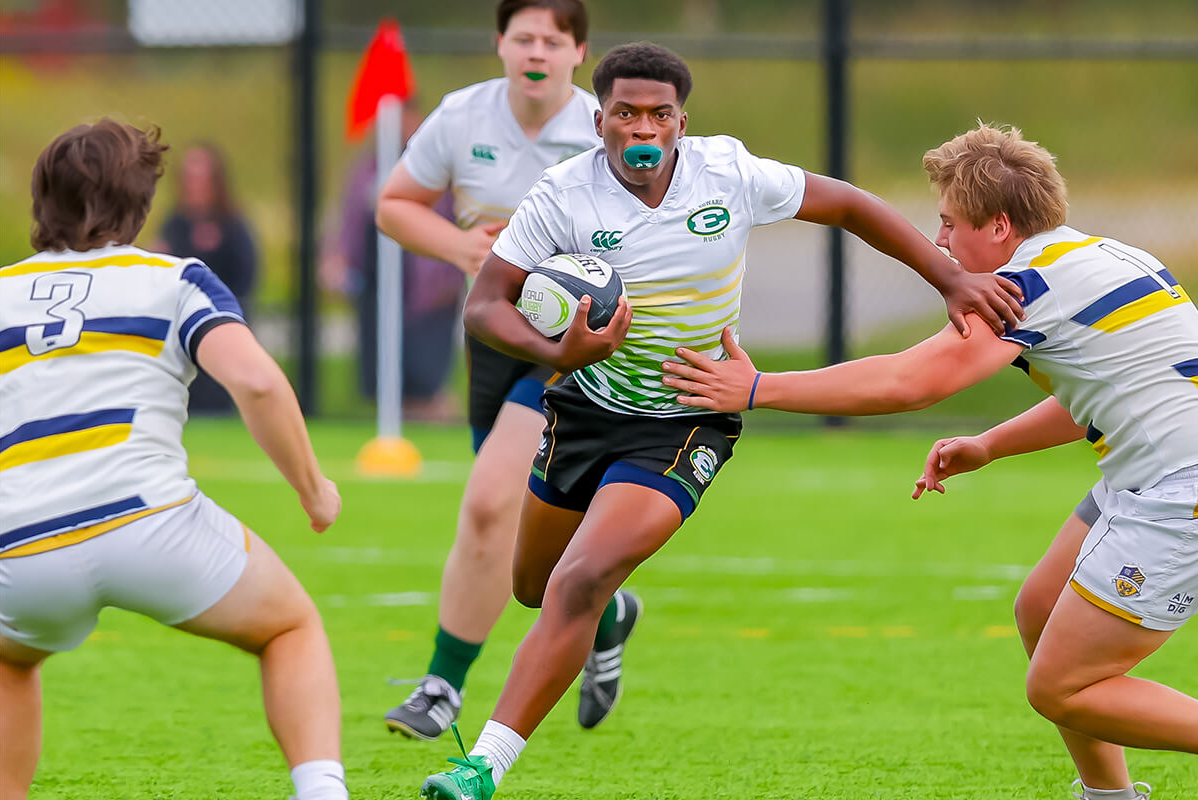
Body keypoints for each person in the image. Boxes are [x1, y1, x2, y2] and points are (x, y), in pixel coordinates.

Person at [417, 44, 1024, 800]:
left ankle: (481, 767)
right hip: (585, 405)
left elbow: (846, 204)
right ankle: (608, 621)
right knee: (536, 588)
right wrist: (557, 349)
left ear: (681, 120)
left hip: (690, 413)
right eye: (628, 114)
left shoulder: (726, 174)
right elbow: (484, 305)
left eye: (660, 114)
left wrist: (951, 277)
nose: (645, 129)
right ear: (599, 118)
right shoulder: (562, 195)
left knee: (578, 577)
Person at [662, 123, 1198, 800]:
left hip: (1176, 491)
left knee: (1062, 688)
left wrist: (760, 388)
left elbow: (909, 381)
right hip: (1153, 470)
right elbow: (1108, 393)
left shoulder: (1027, 286)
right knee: (1039, 607)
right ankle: (1108, 797)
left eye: (949, 224)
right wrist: (990, 443)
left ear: (999, 226)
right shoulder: (1105, 256)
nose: (939, 243)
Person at [0, 120, 348, 800]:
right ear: (140, 203)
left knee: (8, 662)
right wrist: (313, 490)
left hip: (21, 542)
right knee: (290, 626)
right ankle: (322, 793)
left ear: (42, 202)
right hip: (148, 521)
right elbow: (255, 381)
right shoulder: (174, 279)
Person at [375, 0, 640, 740]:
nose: (536, 51)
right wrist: (464, 251)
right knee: (523, 526)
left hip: (566, 352)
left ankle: (440, 688)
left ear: (578, 51)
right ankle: (610, 611)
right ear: (499, 43)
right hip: (490, 335)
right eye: (522, 37)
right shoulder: (463, 117)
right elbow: (394, 206)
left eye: (552, 41)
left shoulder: (601, 130)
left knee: (490, 504)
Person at [322, 128, 465, 421]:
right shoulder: (366, 170)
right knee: (384, 374)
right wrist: (336, 258)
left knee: (425, 378)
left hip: (430, 293)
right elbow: (347, 220)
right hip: (378, 289)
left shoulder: (441, 168)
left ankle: (439, 415)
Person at [157, 143, 259, 415]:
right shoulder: (174, 224)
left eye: (202, 178)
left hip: (218, 326)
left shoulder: (233, 226)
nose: (196, 185)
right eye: (190, 178)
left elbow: (246, 276)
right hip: (179, 330)